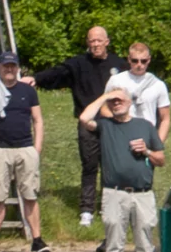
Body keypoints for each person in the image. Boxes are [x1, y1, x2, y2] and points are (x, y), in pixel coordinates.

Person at [80, 86, 163, 252]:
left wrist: (146, 151)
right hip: (114, 193)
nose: (116, 104)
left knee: (145, 246)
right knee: (114, 245)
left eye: (120, 100)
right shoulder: (105, 126)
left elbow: (161, 159)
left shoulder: (145, 126)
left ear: (129, 103)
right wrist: (105, 95)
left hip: (143, 194)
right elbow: (84, 117)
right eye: (113, 102)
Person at [33, 25, 123, 230]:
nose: (95, 44)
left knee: (112, 168)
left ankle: (110, 208)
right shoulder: (78, 64)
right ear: (87, 43)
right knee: (89, 167)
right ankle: (86, 211)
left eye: (99, 40)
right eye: (92, 41)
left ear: (107, 42)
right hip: (87, 124)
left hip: (114, 124)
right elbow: (56, 74)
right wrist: (36, 79)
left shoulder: (119, 65)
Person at [0, 52, 47, 252]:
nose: (9, 69)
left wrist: (37, 148)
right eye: (6, 66)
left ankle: (37, 240)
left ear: (18, 68)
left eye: (13, 66)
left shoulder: (28, 91)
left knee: (30, 194)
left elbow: (38, 119)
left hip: (25, 148)